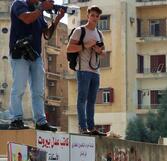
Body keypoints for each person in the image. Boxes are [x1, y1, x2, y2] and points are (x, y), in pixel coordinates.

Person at [8, 0, 62, 131]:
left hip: (35, 55)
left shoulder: (39, 11)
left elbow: (47, 34)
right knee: (19, 88)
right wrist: (42, 8)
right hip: (19, 53)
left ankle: (41, 121)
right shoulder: (19, 4)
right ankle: (16, 119)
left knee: (38, 91)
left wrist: (57, 19)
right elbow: (26, 19)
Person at [67, 5, 106, 135]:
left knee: (92, 101)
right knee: (82, 99)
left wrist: (98, 50)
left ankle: (91, 127)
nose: (94, 18)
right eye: (92, 15)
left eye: (97, 16)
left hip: (96, 71)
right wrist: (86, 45)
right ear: (88, 16)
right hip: (83, 70)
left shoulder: (100, 33)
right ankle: (82, 127)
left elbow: (103, 53)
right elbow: (69, 48)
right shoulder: (79, 31)